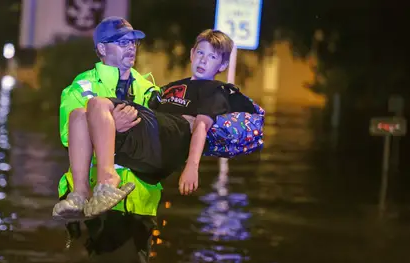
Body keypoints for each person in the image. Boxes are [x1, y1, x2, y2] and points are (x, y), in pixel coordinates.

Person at [53, 29, 262, 219]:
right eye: (200, 53)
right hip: (149, 138)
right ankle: (79, 194)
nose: (203, 61)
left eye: (212, 57)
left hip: (165, 143)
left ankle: (107, 181)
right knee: (79, 115)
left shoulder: (216, 91)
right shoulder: (171, 88)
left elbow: (200, 127)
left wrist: (191, 167)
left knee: (97, 103)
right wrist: (112, 123)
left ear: (223, 65)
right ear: (191, 54)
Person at [56, 16, 163, 263]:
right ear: (102, 48)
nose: (130, 47)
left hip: (140, 201)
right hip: (96, 199)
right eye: (122, 42)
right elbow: (68, 137)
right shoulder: (82, 87)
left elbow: (156, 140)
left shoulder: (149, 89)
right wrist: (113, 125)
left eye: (133, 42)